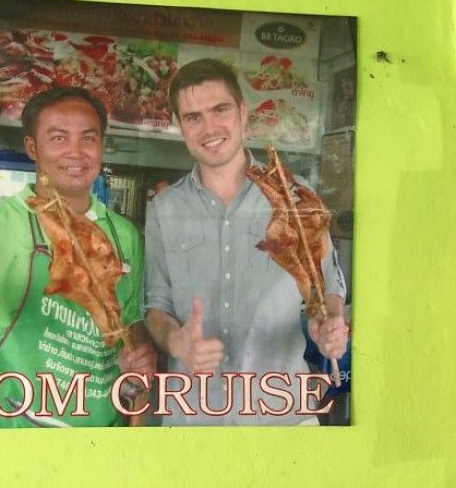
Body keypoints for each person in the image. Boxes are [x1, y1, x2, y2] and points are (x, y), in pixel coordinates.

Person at [0, 87, 155, 428]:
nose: (76, 153)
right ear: (32, 147)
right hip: (17, 440)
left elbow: (133, 319)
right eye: (59, 138)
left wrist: (140, 353)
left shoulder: (125, 236)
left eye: (88, 139)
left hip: (103, 443)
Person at [144, 59, 349, 426]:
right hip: (193, 418)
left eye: (219, 109)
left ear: (242, 111)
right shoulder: (164, 208)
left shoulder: (296, 197)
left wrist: (330, 322)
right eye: (193, 117)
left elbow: (328, 287)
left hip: (282, 418)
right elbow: (156, 305)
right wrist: (176, 342)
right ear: (180, 126)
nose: (209, 128)